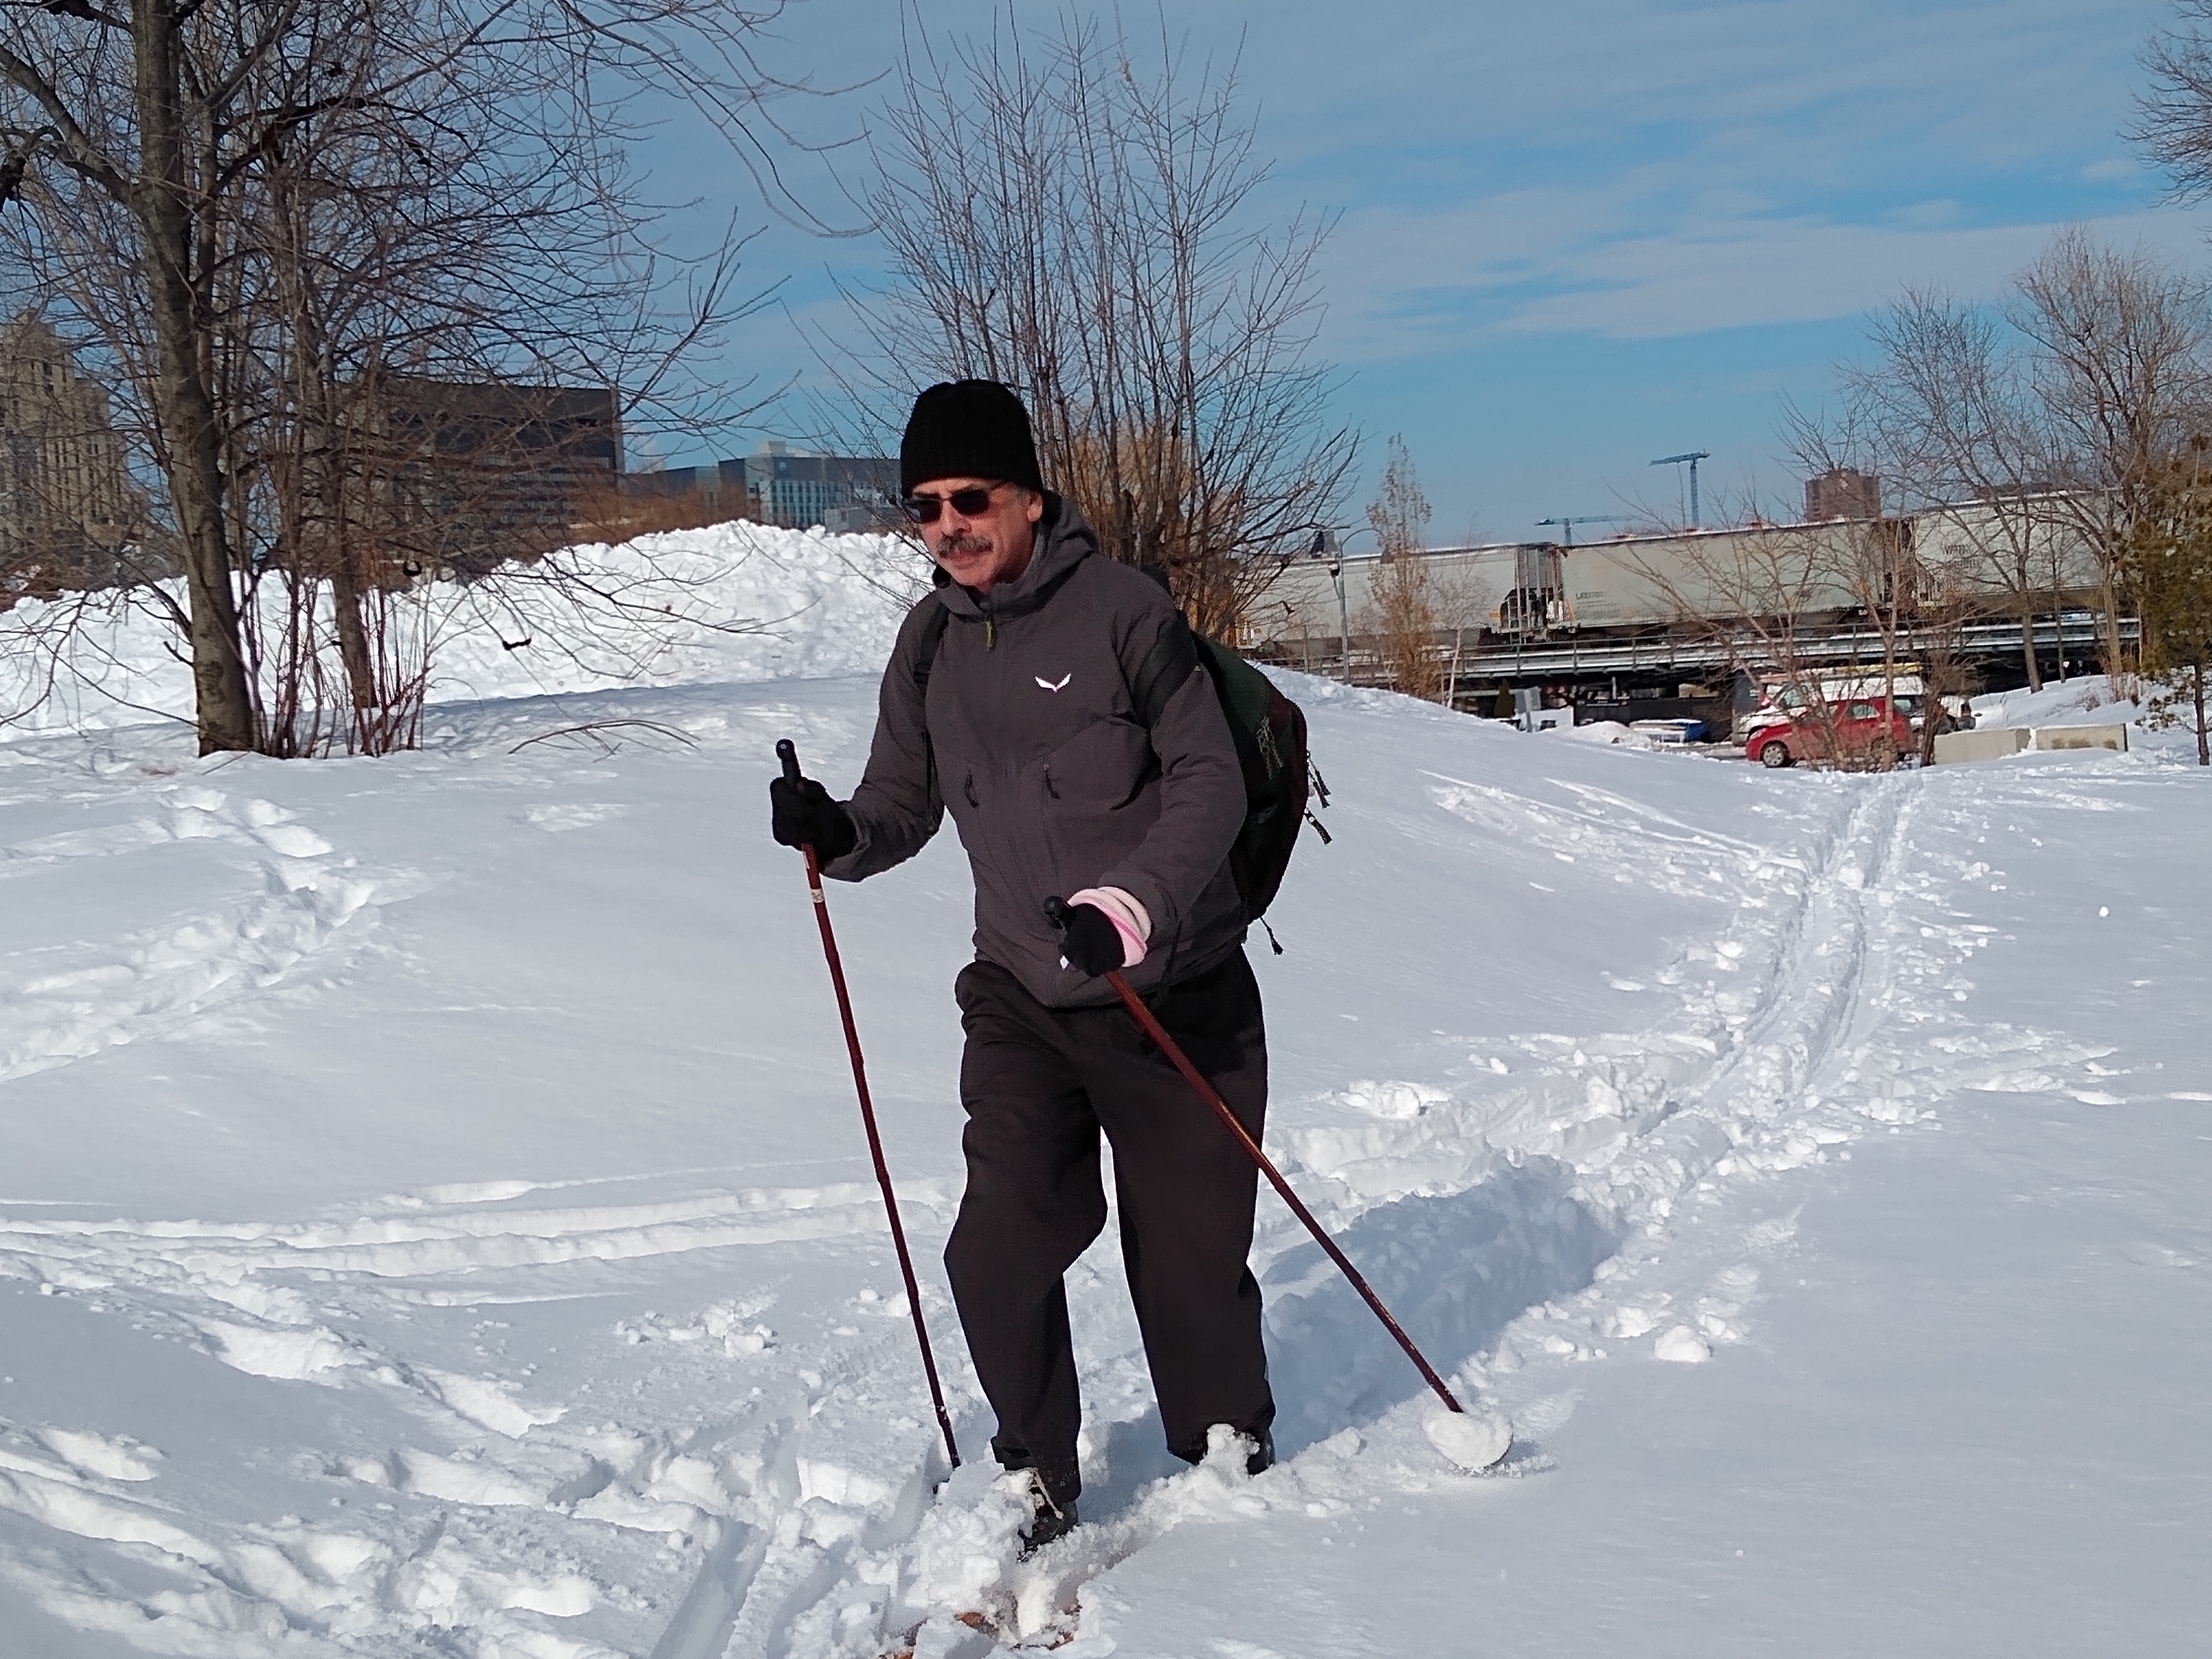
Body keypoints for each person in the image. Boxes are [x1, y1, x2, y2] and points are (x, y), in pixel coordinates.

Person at [770, 380, 1274, 1552]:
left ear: (1031, 498)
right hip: (1021, 996)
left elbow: (1209, 779)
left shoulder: (1122, 614)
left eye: (970, 498)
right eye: (925, 507)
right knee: (997, 1241)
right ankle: (1033, 1471)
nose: (947, 525)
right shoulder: (929, 641)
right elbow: (902, 801)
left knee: (1190, 1261)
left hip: (1171, 993)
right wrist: (834, 831)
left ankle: (1225, 1459)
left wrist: (1130, 904)